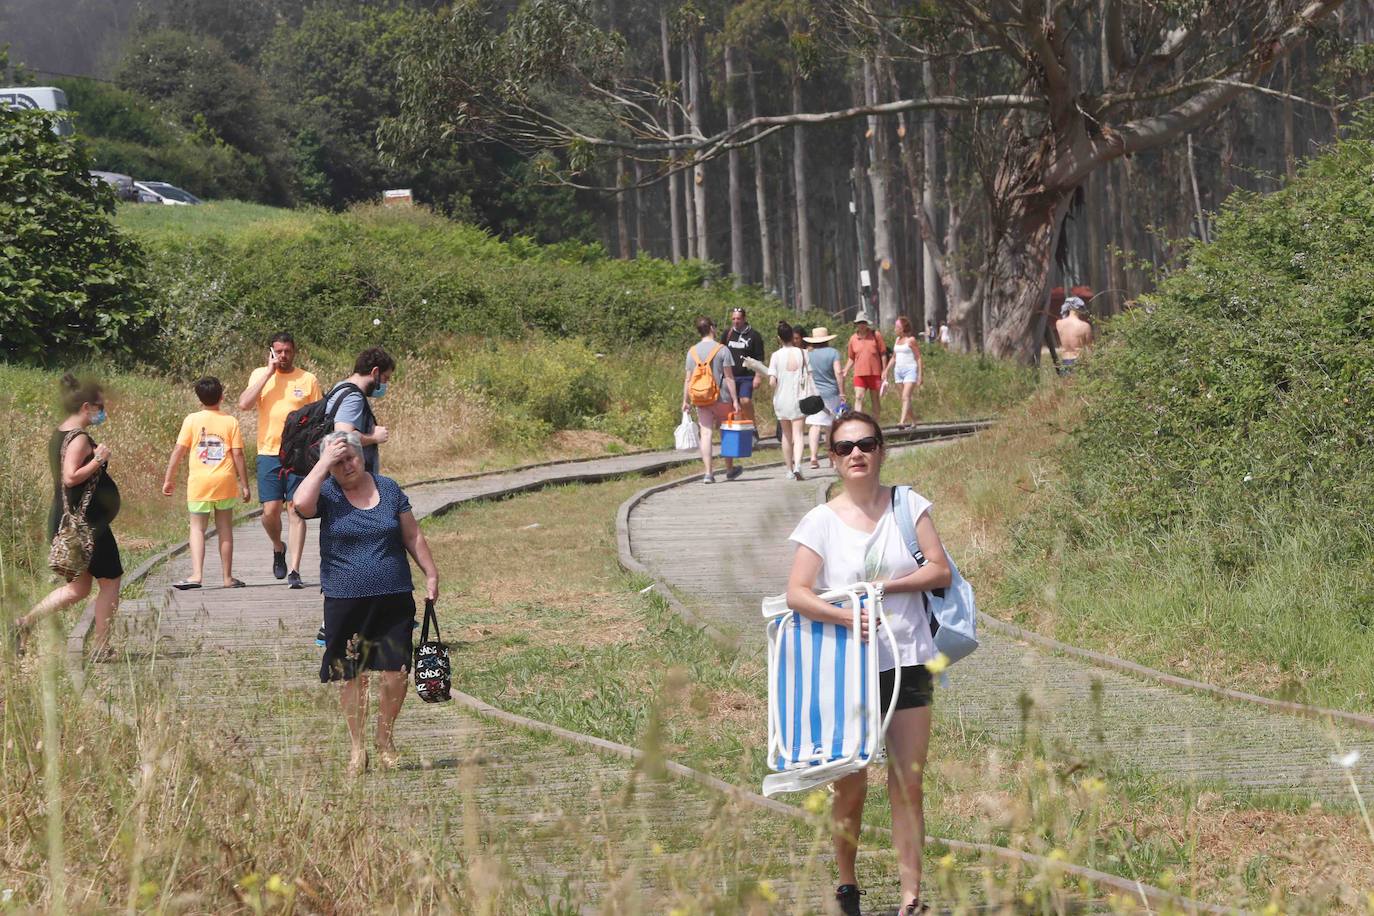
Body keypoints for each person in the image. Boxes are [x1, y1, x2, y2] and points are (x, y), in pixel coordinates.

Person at [785, 411, 952, 916]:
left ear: (881, 451)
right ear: (833, 459)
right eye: (844, 447)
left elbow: (940, 571)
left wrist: (888, 588)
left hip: (910, 661)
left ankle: (911, 897)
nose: (856, 453)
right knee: (851, 784)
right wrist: (843, 617)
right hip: (847, 671)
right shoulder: (821, 521)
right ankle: (847, 881)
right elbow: (796, 593)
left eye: (866, 444)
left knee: (908, 782)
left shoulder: (909, 506)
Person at [293, 431, 439, 777]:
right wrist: (323, 464)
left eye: (351, 458)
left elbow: (412, 534)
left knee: (396, 672)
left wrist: (430, 574)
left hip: (393, 595)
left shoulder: (388, 488)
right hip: (345, 599)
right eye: (338, 462)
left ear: (363, 456)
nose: (346, 466)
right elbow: (300, 505)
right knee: (352, 676)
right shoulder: (326, 492)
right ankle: (357, 748)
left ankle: (385, 738)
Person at [13, 375, 123, 656]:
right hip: (86, 526)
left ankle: (25, 623)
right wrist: (98, 459)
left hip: (67, 520)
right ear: (86, 406)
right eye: (99, 406)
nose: (103, 411)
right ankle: (101, 647)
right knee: (110, 582)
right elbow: (70, 477)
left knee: (79, 588)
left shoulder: (60, 432)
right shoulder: (79, 439)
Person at [237, 332, 322, 588]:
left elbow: (319, 417)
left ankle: (295, 570)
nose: (283, 356)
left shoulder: (308, 379)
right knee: (269, 511)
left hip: (298, 453)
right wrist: (268, 373)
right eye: (278, 351)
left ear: (294, 351)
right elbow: (244, 404)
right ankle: (278, 546)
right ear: (271, 352)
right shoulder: (259, 376)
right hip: (268, 452)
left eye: (287, 351)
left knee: (295, 509)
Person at [161, 377, 251, 590]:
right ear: (221, 396)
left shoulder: (191, 420)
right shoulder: (230, 421)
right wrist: (245, 484)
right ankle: (227, 578)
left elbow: (179, 451)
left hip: (199, 483)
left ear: (199, 399)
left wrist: (169, 478)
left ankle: (197, 575)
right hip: (225, 482)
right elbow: (238, 455)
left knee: (197, 529)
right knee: (225, 528)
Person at [682, 316, 742, 484]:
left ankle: (708, 473)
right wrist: (735, 400)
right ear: (711, 328)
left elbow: (688, 379)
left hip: (701, 398)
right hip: (722, 396)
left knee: (706, 433)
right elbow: (729, 378)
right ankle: (729, 469)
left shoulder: (692, 352)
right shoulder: (722, 350)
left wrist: (685, 400)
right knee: (726, 431)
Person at [329, 347, 395, 475]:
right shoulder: (353, 397)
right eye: (385, 378)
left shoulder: (339, 387)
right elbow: (343, 436)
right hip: (349, 480)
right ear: (375, 372)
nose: (385, 384)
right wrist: (374, 437)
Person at [766, 321, 807, 480]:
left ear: (779, 338)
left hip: (781, 399)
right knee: (798, 434)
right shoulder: (803, 353)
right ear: (792, 336)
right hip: (799, 398)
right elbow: (809, 375)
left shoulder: (775, 356)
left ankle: (789, 470)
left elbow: (772, 382)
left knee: (786, 435)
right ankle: (798, 465)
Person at [802, 327, 844, 471]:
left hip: (814, 394)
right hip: (831, 393)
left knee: (814, 425)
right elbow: (838, 372)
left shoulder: (808, 355)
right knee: (830, 426)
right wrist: (842, 392)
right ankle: (831, 459)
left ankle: (813, 457)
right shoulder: (833, 353)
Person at [723, 307, 765, 425]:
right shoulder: (728, 333)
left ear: (744, 319)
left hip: (747, 376)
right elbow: (721, 352)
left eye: (738, 319)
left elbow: (759, 357)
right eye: (734, 318)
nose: (736, 321)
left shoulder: (754, 335)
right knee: (732, 404)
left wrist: (758, 376)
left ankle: (752, 426)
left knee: (745, 401)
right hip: (730, 376)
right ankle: (739, 428)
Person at [843, 317, 888, 421]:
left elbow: (883, 353)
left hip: (875, 373)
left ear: (867, 324)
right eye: (859, 323)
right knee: (858, 397)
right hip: (859, 374)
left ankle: (875, 423)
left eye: (863, 322)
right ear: (856, 324)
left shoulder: (876, 335)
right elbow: (851, 357)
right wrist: (845, 370)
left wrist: (884, 370)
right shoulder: (853, 339)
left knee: (875, 398)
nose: (862, 325)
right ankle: (858, 422)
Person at [890, 316, 924, 428]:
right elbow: (894, 357)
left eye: (897, 327)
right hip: (898, 371)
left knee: (905, 396)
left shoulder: (911, 340)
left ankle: (902, 422)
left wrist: (920, 375)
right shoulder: (897, 340)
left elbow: (918, 357)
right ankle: (914, 420)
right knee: (905, 398)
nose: (895, 329)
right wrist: (885, 370)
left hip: (910, 370)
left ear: (903, 328)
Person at [1056, 296, 1094, 373]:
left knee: (1066, 384)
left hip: (1065, 361)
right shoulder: (1085, 326)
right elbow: (1091, 349)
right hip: (1079, 362)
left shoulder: (1058, 323)